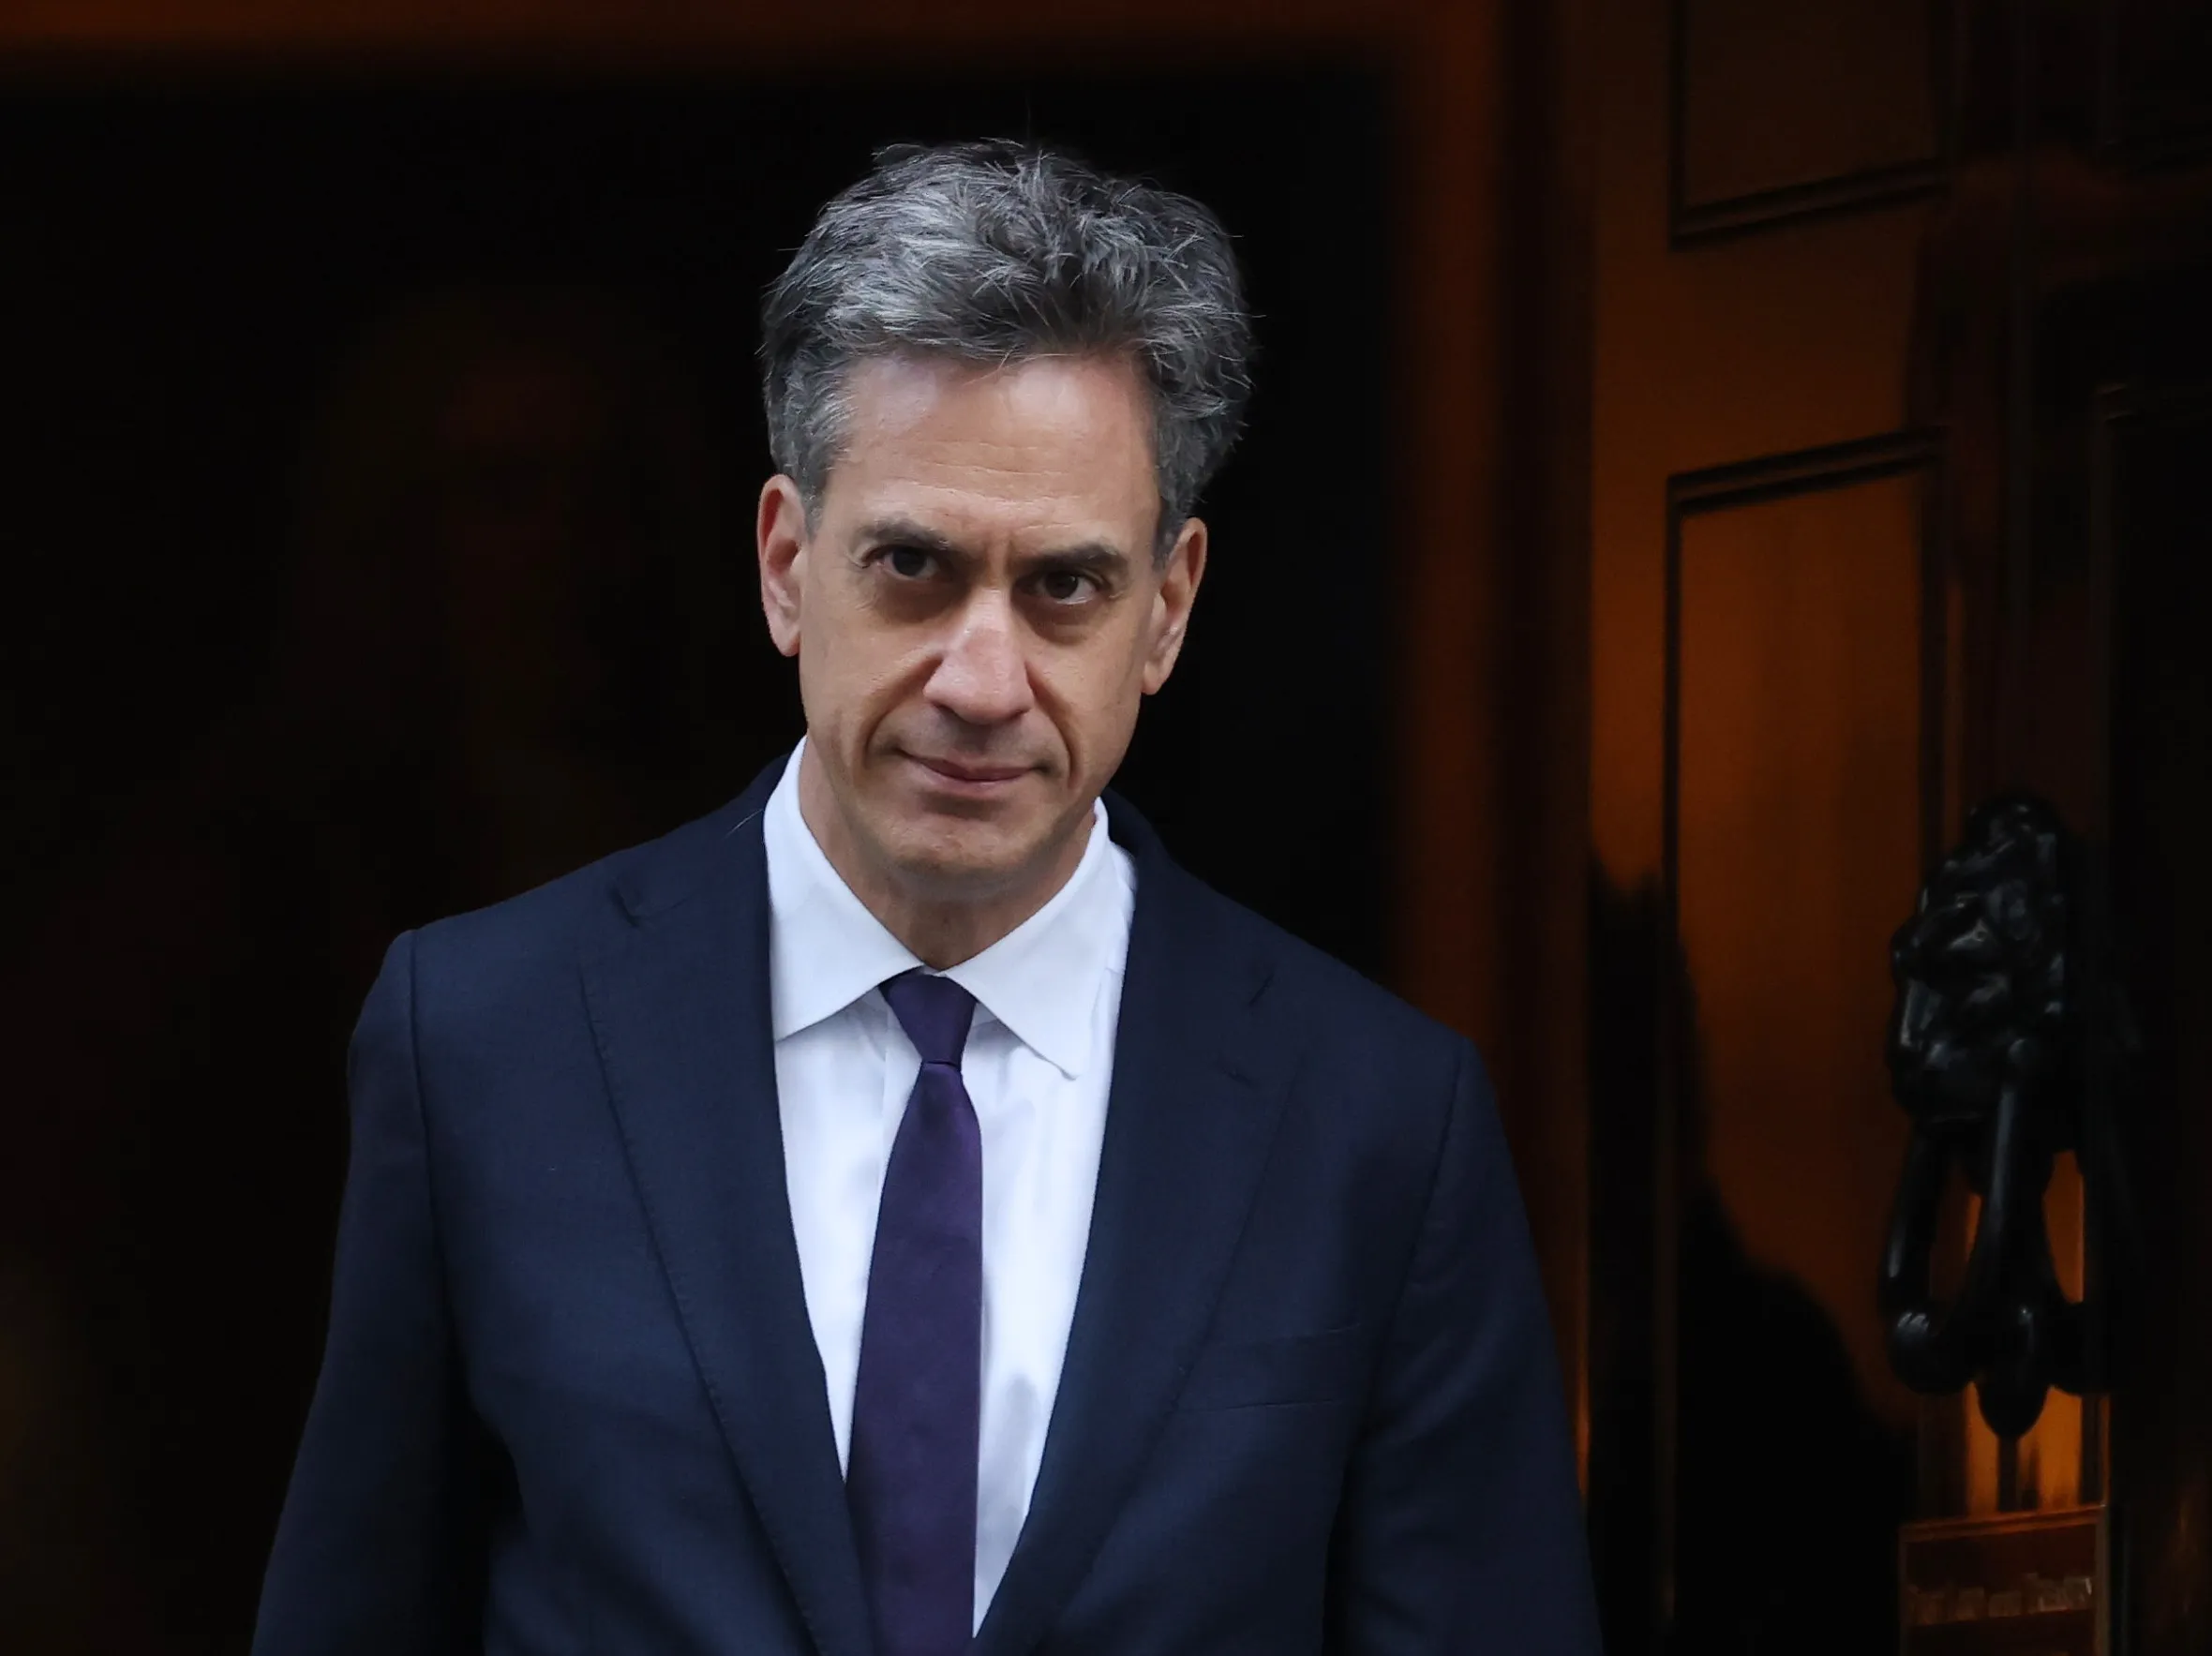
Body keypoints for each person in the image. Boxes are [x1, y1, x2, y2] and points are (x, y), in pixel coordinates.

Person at [253, 140, 1602, 1656]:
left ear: (1168, 610)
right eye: (911, 565)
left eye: (1065, 588)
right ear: (784, 563)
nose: (980, 678)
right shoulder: (481, 1040)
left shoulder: (1376, 1122)